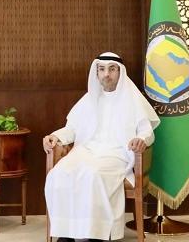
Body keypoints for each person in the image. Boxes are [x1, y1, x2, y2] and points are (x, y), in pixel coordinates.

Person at [43, 52, 160, 242]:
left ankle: (96, 235)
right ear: (96, 73)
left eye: (112, 69)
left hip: (116, 154)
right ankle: (66, 233)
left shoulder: (133, 99)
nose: (106, 74)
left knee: (93, 174)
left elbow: (147, 131)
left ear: (120, 72)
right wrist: (55, 136)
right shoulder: (89, 99)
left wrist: (140, 139)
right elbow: (72, 129)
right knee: (59, 173)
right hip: (85, 151)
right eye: (102, 69)